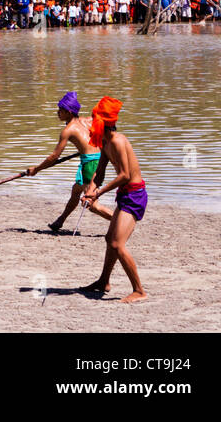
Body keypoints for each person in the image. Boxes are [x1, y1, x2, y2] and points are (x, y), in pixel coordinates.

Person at [80, 97, 149, 302]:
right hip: (124, 194)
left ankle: (139, 290)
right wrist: (91, 190)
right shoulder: (105, 142)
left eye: (95, 119)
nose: (92, 123)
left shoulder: (118, 141)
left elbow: (126, 175)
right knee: (109, 240)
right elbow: (100, 172)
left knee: (117, 244)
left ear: (106, 121)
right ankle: (104, 281)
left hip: (135, 195)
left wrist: (98, 194)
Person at [26, 91, 112, 232]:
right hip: (99, 160)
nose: (58, 113)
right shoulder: (89, 120)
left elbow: (54, 156)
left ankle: (120, 221)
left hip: (90, 166)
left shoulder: (68, 130)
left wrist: (36, 169)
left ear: (70, 112)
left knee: (92, 204)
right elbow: (105, 132)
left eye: (61, 110)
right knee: (76, 190)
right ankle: (60, 221)